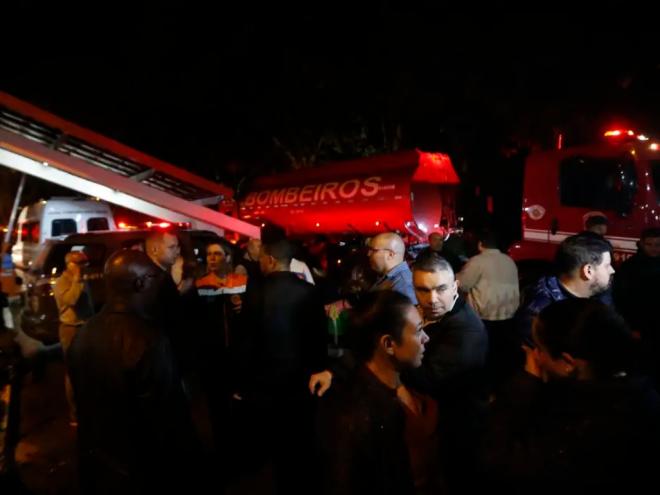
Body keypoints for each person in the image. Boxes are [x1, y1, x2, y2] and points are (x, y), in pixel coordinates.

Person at [482, 298, 660, 493]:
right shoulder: (637, 388)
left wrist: (525, 383)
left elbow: (500, 461)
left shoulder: (589, 424)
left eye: (539, 348)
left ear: (568, 362)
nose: (534, 355)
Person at [68, 249, 202, 494]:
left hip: (98, 466)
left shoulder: (84, 333)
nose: (159, 283)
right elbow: (168, 415)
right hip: (143, 469)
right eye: (154, 277)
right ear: (140, 283)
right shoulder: (149, 340)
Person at [318, 290, 441, 495]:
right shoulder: (356, 415)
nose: (426, 338)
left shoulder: (408, 375)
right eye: (419, 330)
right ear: (389, 344)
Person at [516, 233, 615, 344]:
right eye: (607, 265)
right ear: (588, 271)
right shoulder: (540, 313)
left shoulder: (600, 293)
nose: (612, 270)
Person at [457, 229, 520, 386]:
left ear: (480, 244)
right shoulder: (509, 261)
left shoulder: (477, 261)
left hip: (485, 319)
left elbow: (463, 284)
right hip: (509, 318)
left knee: (484, 360)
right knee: (501, 359)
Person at [53, 250, 94, 424]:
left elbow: (89, 304)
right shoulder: (61, 282)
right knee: (73, 371)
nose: (84, 267)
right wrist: (77, 279)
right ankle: (75, 414)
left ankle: (90, 407)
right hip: (70, 329)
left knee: (89, 368)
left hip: (85, 327)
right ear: (70, 264)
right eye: (81, 263)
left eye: (85, 263)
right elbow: (72, 300)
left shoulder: (82, 279)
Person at [368, 232, 417, 303]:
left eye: (373, 250)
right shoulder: (391, 278)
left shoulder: (404, 284)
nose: (368, 254)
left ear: (390, 254)